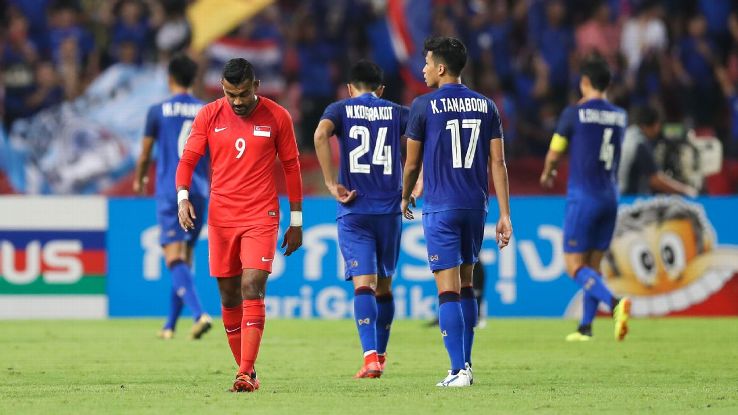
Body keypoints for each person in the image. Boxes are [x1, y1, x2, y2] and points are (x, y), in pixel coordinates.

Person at [175, 58, 303, 393]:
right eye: (231, 94)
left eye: (243, 93)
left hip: (261, 214)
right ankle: (248, 370)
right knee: (229, 294)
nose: (237, 101)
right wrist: (183, 197)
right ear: (223, 88)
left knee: (252, 285)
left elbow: (291, 167)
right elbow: (188, 159)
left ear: (256, 86)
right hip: (221, 217)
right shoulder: (208, 115)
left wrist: (297, 219)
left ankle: (244, 373)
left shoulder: (278, 116)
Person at [401, 36, 513, 388]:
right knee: (466, 286)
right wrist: (505, 214)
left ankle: (457, 370)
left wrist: (405, 196)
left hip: (441, 208)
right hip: (475, 207)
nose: (423, 69)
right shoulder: (487, 106)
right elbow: (499, 162)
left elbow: (411, 163)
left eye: (427, 62)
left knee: (447, 290)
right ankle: (466, 365)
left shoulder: (422, 106)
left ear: (441, 67)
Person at [313, 60, 409, 379]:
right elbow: (422, 142)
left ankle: (369, 359)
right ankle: (379, 356)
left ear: (350, 89)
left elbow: (319, 136)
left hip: (354, 210)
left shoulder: (340, 109)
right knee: (384, 287)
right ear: (381, 89)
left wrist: (330, 183)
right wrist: (415, 183)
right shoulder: (397, 112)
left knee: (362, 286)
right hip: (389, 210)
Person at [539, 56, 631, 342]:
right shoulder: (620, 116)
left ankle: (615, 303)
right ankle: (585, 328)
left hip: (584, 197)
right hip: (610, 197)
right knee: (593, 266)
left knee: (574, 266)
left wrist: (547, 173)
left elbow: (556, 151)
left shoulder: (573, 114)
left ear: (585, 83)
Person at [133, 53, 211, 340]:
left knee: (172, 258)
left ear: (170, 79)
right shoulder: (206, 110)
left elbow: (145, 153)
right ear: (194, 80)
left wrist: (141, 178)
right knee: (185, 259)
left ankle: (199, 313)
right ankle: (170, 326)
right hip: (200, 190)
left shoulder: (157, 111)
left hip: (170, 189)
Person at [618, 106, 699, 196]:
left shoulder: (627, 135)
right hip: (629, 198)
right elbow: (655, 180)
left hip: (618, 194)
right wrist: (685, 190)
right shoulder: (639, 143)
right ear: (656, 125)